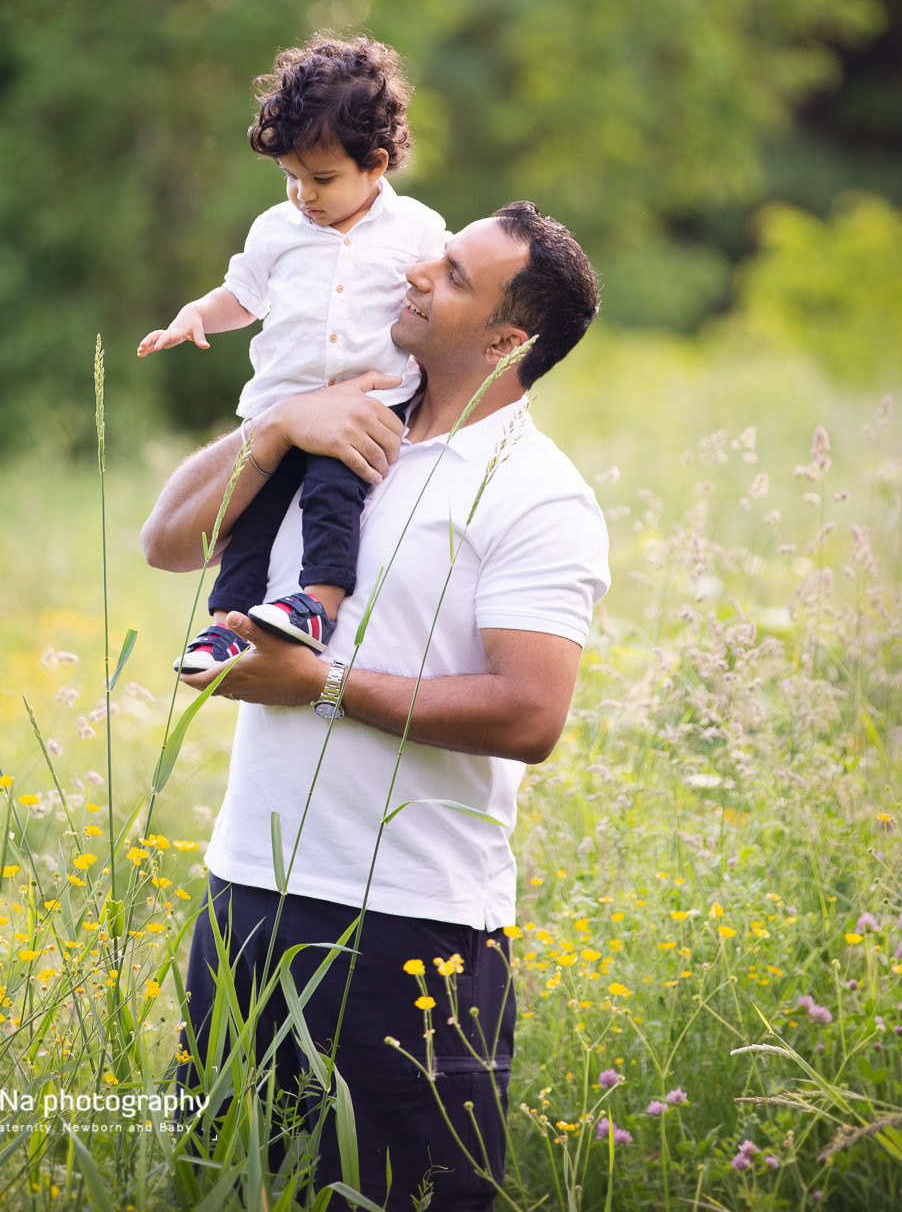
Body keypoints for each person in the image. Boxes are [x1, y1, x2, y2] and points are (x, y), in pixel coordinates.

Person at [142, 202, 609, 1210]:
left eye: (449, 273)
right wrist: (273, 427)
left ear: (505, 338)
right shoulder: (340, 422)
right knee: (219, 1191)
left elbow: (531, 717)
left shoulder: (537, 494)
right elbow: (168, 541)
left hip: (411, 933)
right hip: (244, 901)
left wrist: (323, 686)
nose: (415, 271)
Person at [139, 34, 445, 672]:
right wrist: (197, 313)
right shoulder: (276, 230)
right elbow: (243, 295)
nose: (304, 194)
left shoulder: (415, 227)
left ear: (377, 164)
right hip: (283, 405)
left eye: (321, 179)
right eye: (291, 178)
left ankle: (318, 601)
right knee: (251, 518)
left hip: (368, 406)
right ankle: (226, 623)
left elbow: (444, 292)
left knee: (334, 499)